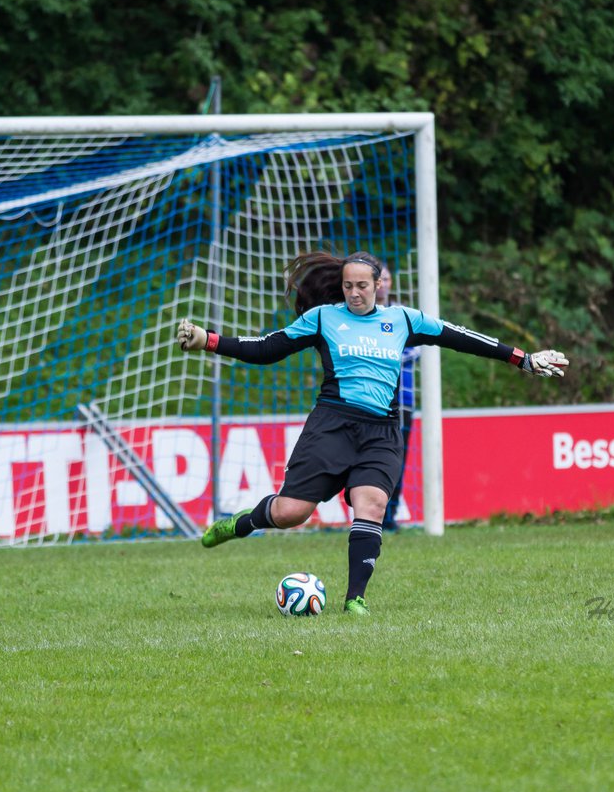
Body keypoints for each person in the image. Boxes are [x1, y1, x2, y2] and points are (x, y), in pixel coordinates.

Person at [176, 251, 567, 616]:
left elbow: (461, 336)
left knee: (372, 506)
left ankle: (355, 601)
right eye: (348, 286)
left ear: (378, 285)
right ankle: (241, 523)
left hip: (381, 432)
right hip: (331, 426)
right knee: (290, 512)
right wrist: (208, 340)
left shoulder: (404, 320)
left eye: (362, 286)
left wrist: (523, 359)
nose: (355, 293)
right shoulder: (323, 318)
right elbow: (266, 347)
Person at [373, 259, 420, 532]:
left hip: (402, 401)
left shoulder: (402, 314)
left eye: (387, 279)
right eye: (379, 279)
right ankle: (368, 512)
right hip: (372, 400)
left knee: (397, 459)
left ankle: (389, 516)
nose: (383, 284)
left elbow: (418, 348)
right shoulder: (358, 317)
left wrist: (384, 355)